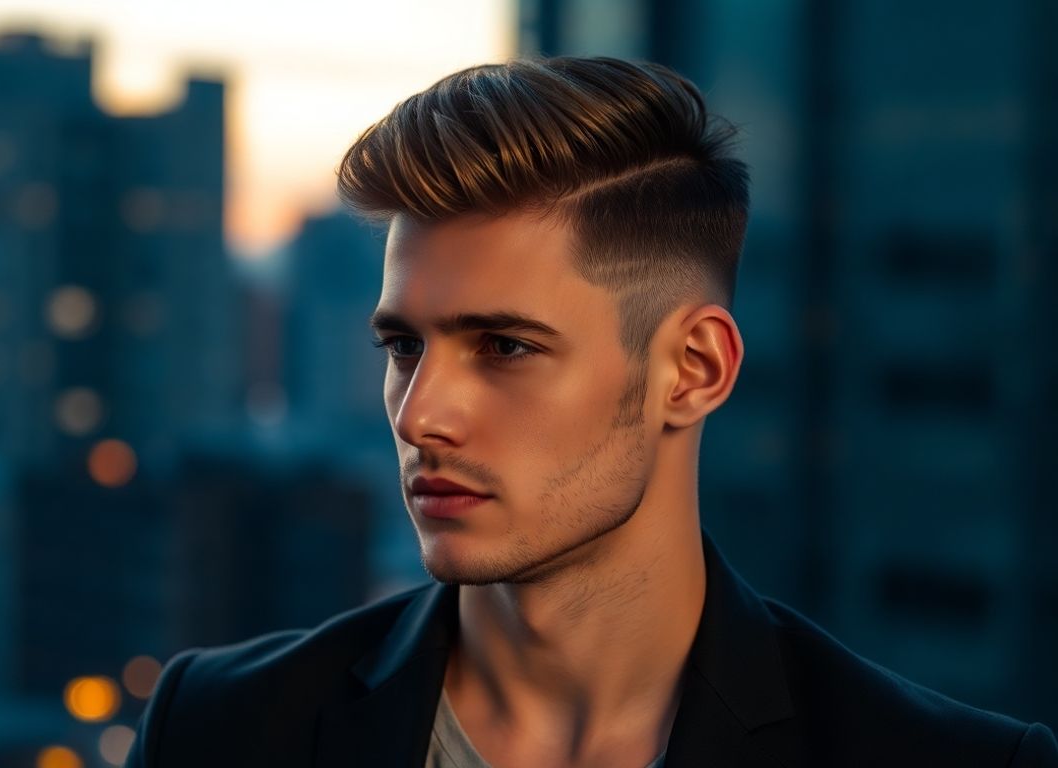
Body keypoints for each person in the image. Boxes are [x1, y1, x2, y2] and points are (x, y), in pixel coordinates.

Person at [125, 57, 1058, 767]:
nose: (419, 415)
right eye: (403, 346)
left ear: (692, 371)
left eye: (505, 347)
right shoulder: (222, 728)